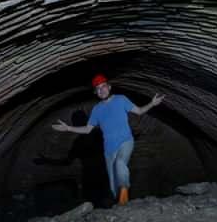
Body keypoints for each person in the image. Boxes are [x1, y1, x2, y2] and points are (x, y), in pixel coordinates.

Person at [51, 74, 164, 206]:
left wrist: (152, 103)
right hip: (109, 150)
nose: (102, 90)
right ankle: (121, 202)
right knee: (113, 185)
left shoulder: (121, 99)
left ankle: (123, 196)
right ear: (96, 93)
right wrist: (68, 128)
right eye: (98, 89)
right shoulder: (97, 110)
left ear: (109, 87)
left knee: (120, 163)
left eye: (103, 87)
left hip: (125, 141)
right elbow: (88, 129)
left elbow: (138, 111)